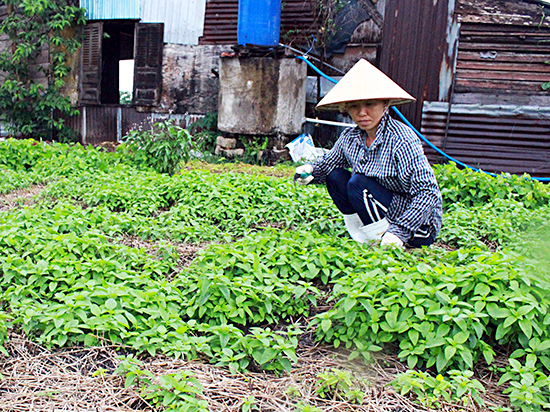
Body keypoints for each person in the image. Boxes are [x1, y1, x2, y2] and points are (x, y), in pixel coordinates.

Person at [295, 59, 442, 248]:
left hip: (417, 225)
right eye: (355, 106)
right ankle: (366, 236)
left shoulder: (401, 139)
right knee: (336, 177)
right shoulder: (350, 137)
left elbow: (428, 192)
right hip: (380, 206)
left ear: (385, 104)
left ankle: (386, 240)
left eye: (370, 104)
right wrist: (311, 172)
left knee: (358, 183)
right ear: (346, 108)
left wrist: (401, 230)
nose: (362, 113)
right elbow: (328, 164)